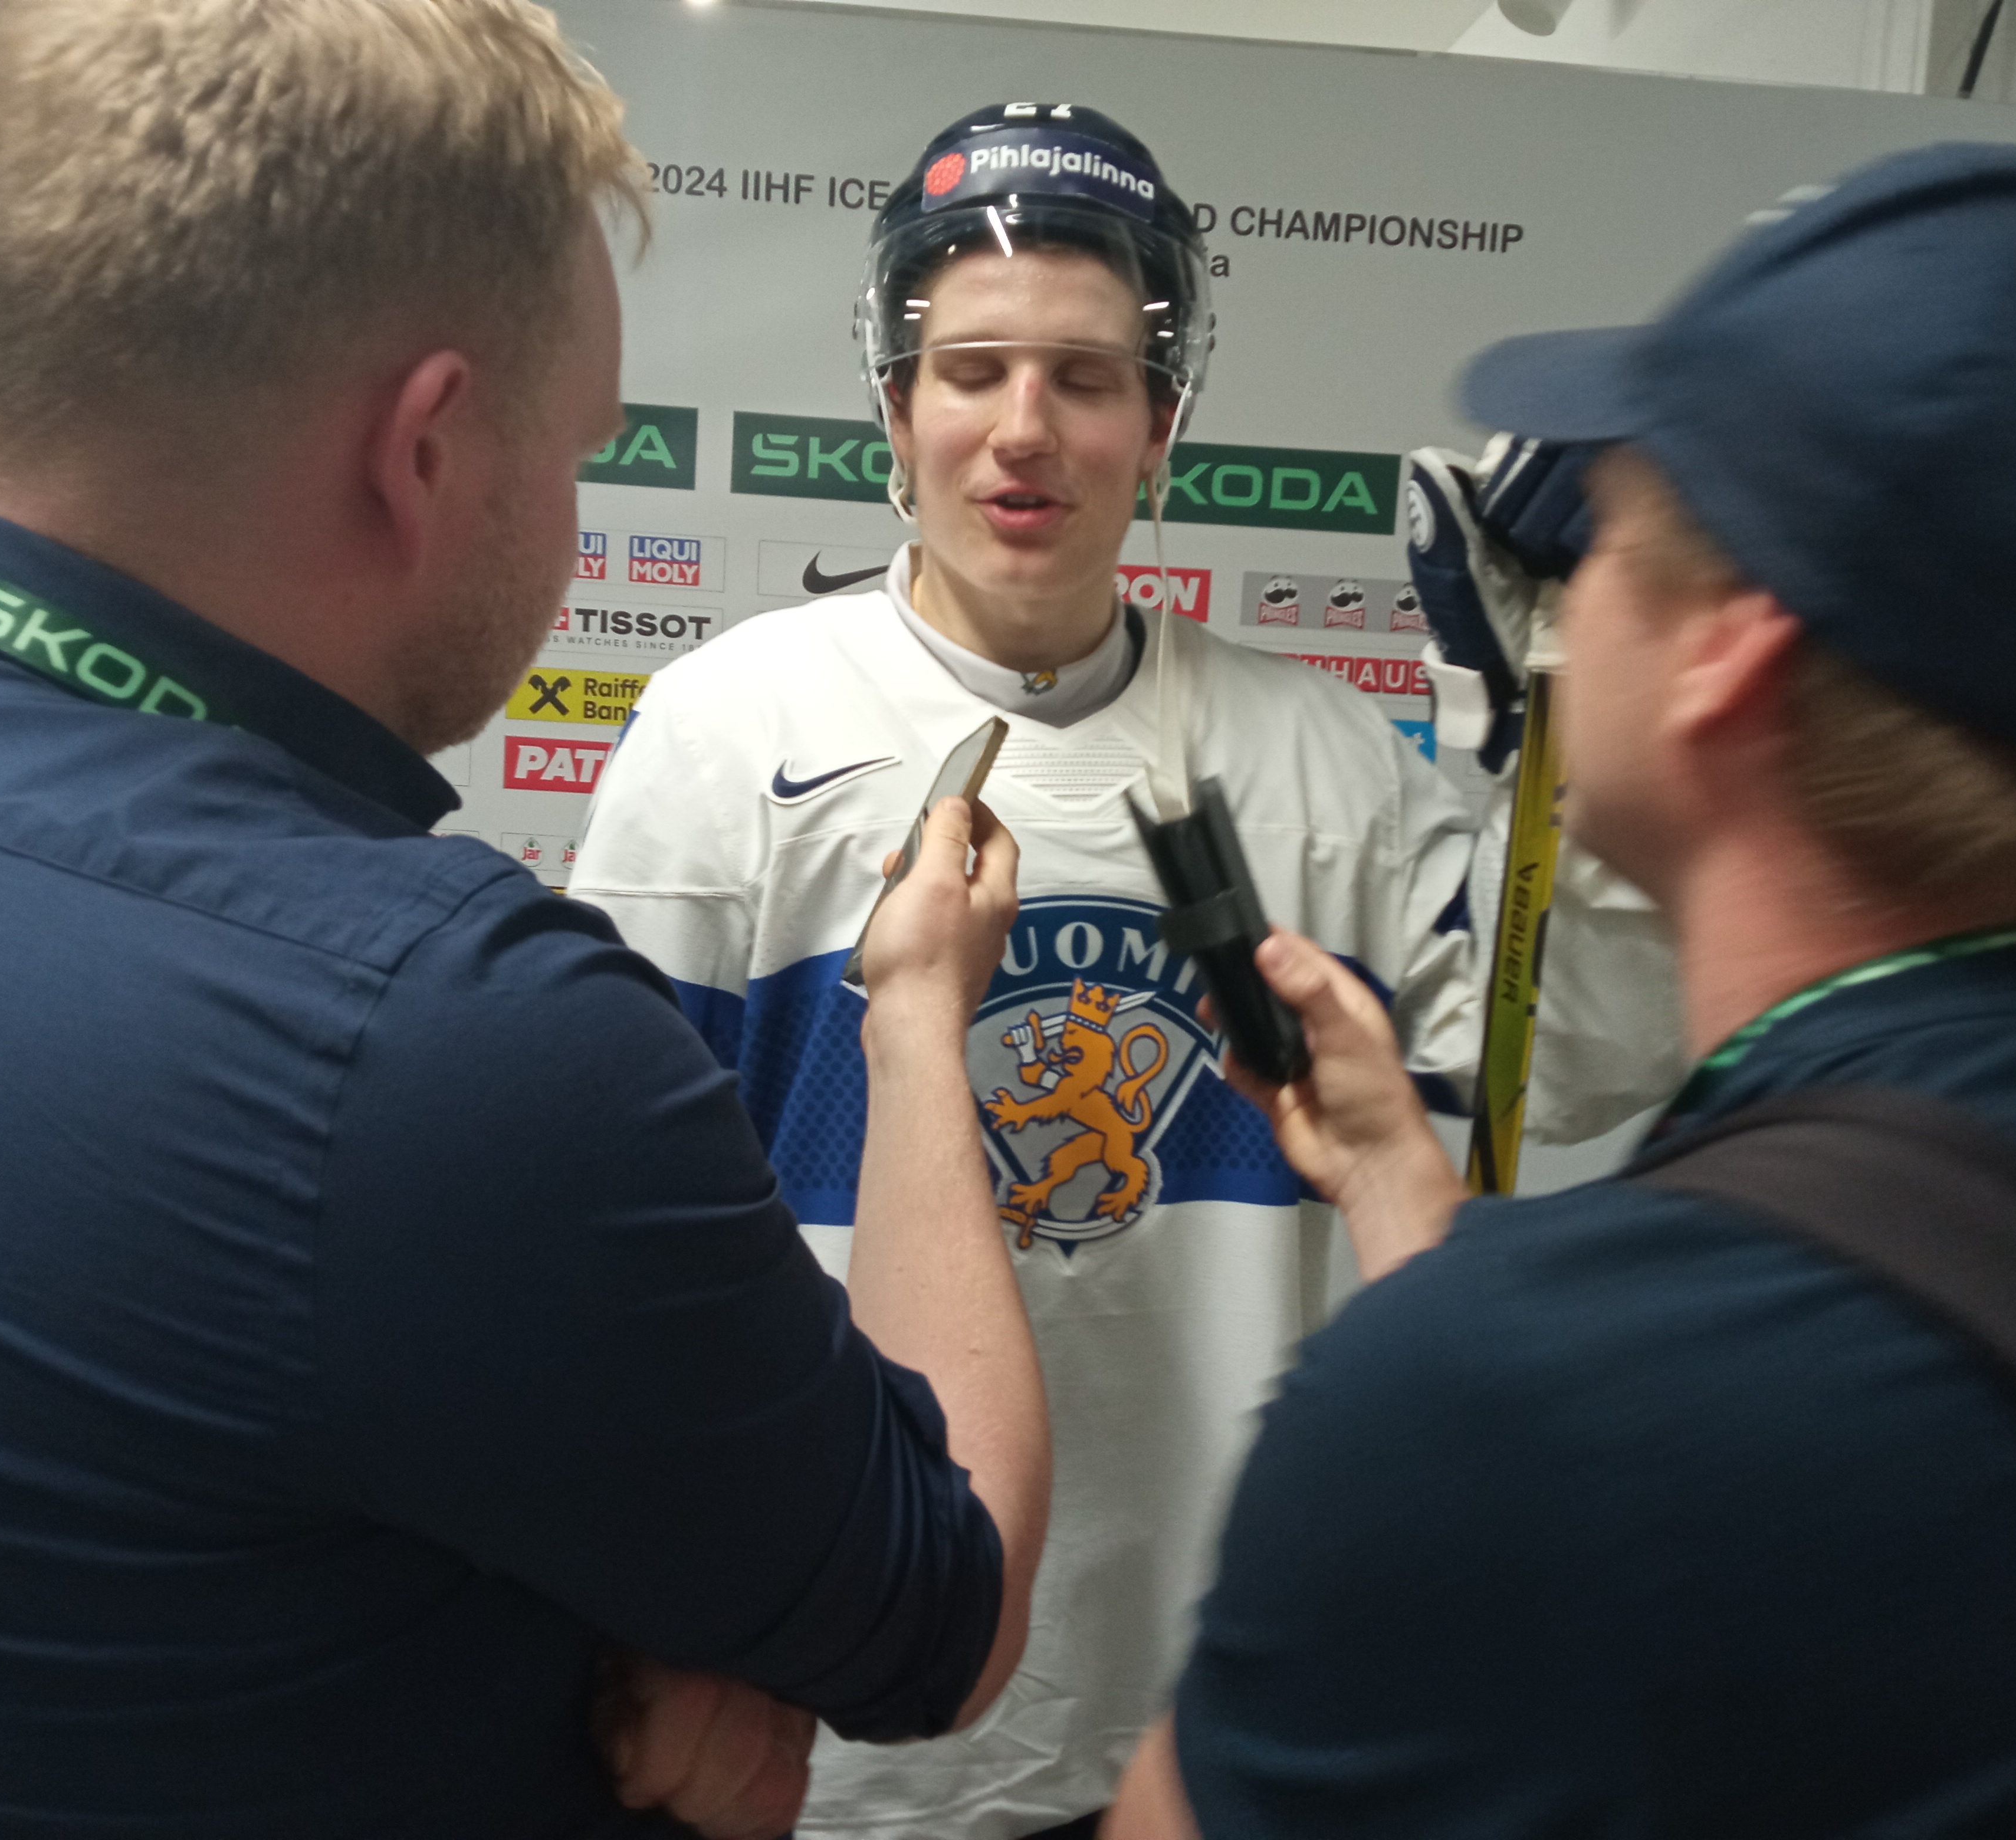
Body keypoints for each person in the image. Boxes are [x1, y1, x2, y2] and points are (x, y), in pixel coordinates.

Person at [0, 4, 1051, 1836]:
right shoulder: (447, 1046)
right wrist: (916, 1018)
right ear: (425, 450)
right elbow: (947, 1614)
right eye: (578, 448)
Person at [1110, 140, 2016, 1836]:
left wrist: (1441, 1354)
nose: (1564, 597)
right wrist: (1396, 1189)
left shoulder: (1505, 1395)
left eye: (1610, 534)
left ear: (1732, 646)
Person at [570, 101, 1677, 1840]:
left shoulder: (1319, 764)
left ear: (1161, 421)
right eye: (973, 371)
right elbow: (614, 1242)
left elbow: (1584, 1056)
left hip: (1195, 1715)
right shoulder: (729, 732)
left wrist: (1573, 747)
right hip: (836, 1726)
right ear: (897, 404)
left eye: (1086, 379)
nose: (1026, 430)